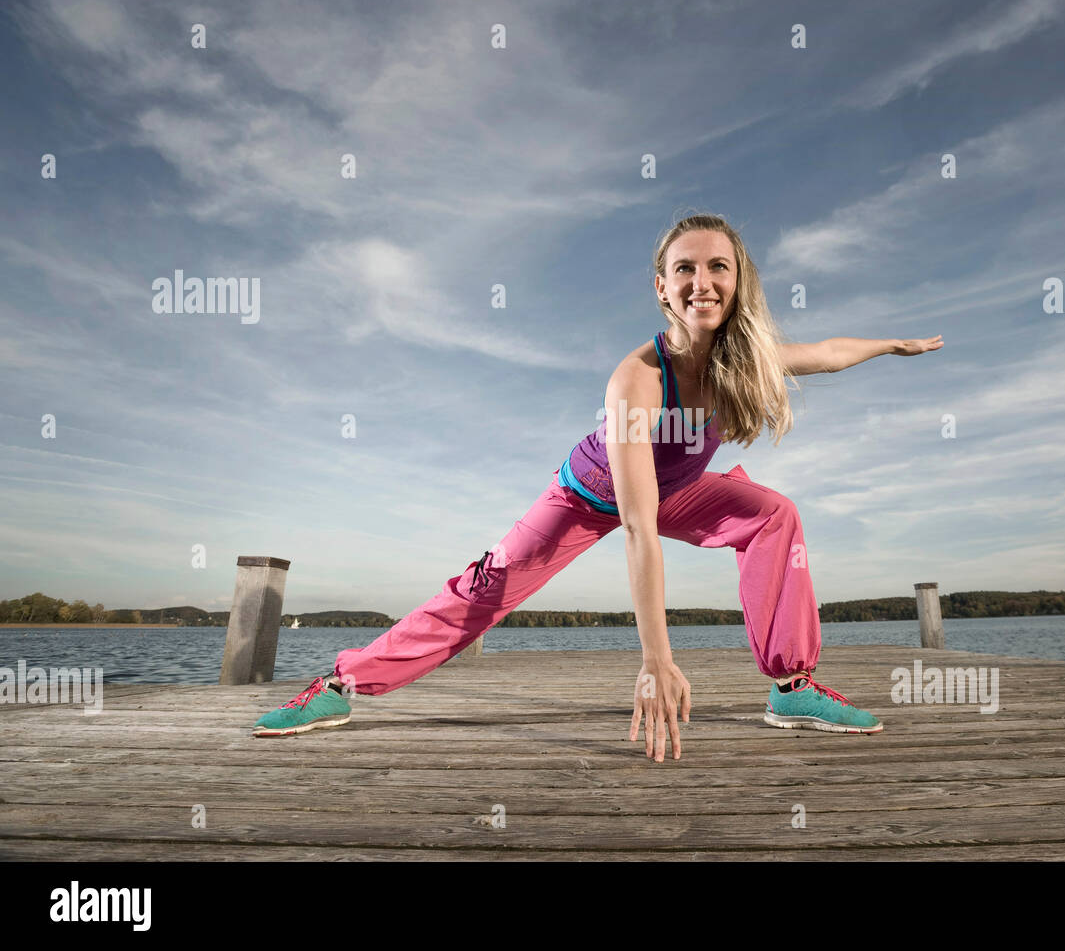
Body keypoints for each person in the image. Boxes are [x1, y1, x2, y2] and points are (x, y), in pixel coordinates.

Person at [252, 213, 942, 762]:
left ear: (740, 281)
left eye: (718, 267)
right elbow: (639, 530)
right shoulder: (638, 379)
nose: (703, 281)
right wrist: (656, 660)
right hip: (588, 497)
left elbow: (824, 355)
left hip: (676, 490)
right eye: (685, 269)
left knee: (773, 515)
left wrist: (892, 346)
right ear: (661, 288)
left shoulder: (744, 362)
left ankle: (792, 689)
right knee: (484, 591)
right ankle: (342, 684)